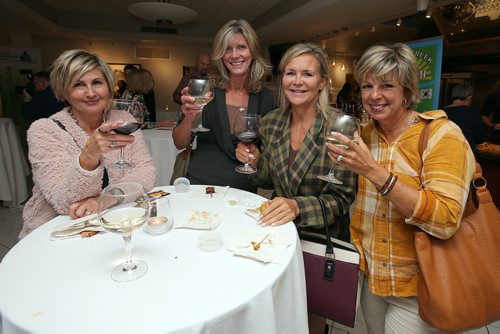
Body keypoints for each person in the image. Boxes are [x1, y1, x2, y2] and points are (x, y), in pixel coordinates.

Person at [326, 43, 475, 333]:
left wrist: (373, 171)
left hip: (419, 285)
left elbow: (445, 219)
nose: (374, 95)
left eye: (387, 85)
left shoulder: (442, 135)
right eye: (367, 85)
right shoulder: (365, 134)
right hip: (373, 279)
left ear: (407, 91)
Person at [20, 50, 157, 239]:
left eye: (97, 83)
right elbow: (64, 203)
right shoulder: (44, 130)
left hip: (115, 222)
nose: (91, 93)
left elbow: (146, 171)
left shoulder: (122, 120)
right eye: (78, 85)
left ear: (108, 86)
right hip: (57, 232)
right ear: (64, 92)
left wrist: (107, 199)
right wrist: (89, 156)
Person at [235, 43, 356, 231]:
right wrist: (256, 161)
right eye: (290, 73)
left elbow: (341, 199)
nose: (297, 81)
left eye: (307, 74)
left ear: (322, 82)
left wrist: (297, 207)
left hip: (322, 238)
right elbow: (267, 181)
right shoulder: (271, 121)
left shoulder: (341, 126)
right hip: (278, 230)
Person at [173, 19, 274, 192]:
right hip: (200, 184)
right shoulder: (204, 88)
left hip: (243, 188)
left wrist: (256, 152)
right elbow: (179, 143)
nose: (234, 55)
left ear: (253, 51)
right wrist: (189, 118)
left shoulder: (265, 97)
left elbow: (269, 147)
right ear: (221, 55)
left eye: (242, 47)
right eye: (228, 49)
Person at [443, 83, 485, 155]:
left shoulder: (441, 112)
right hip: (466, 155)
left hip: (444, 153)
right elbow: (480, 138)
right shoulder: (473, 113)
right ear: (469, 97)